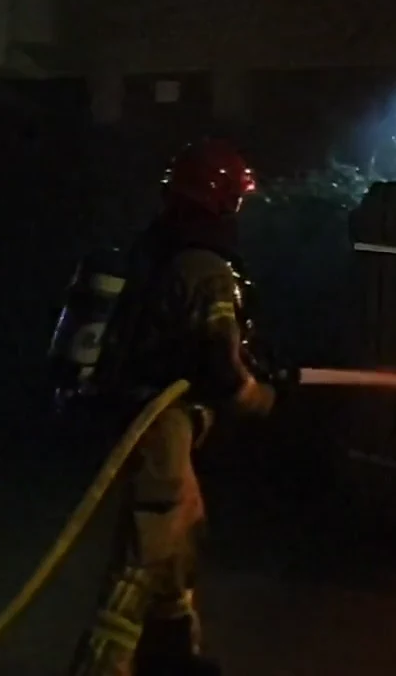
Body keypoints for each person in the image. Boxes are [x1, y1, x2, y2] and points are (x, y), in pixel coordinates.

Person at [68, 138, 281, 676]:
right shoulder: (207, 268)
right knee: (146, 552)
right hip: (160, 426)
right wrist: (258, 395)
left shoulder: (158, 253)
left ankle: (173, 654)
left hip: (148, 420)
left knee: (181, 535)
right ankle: (100, 666)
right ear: (223, 199)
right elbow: (219, 364)